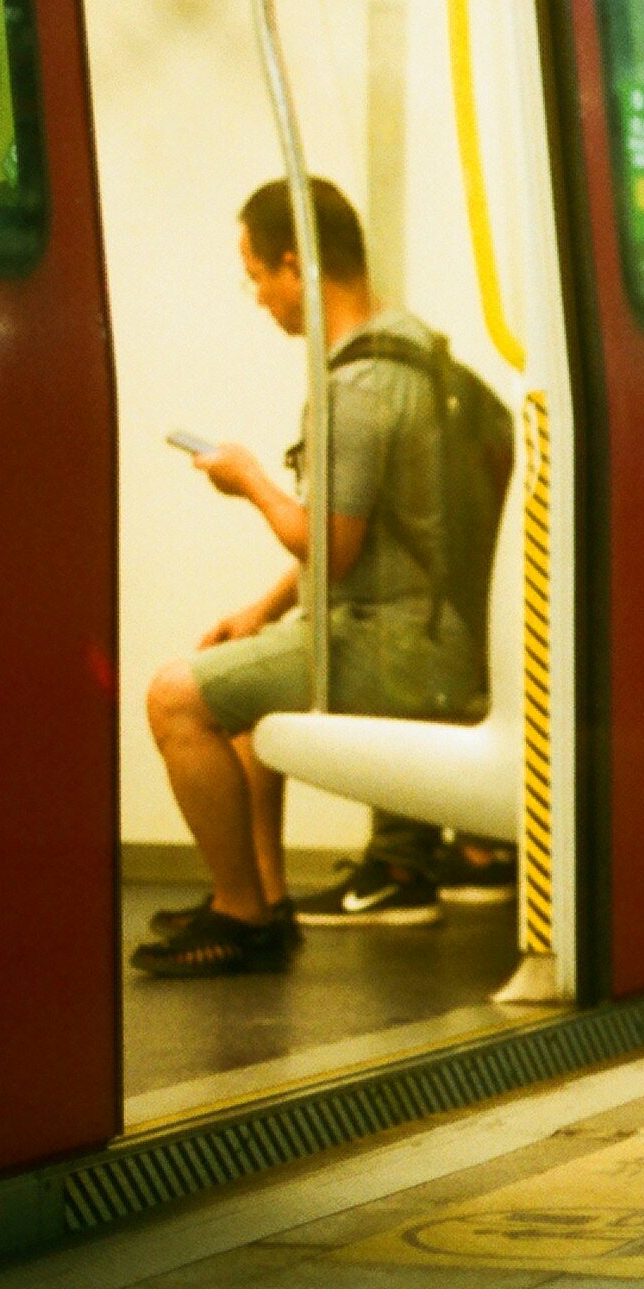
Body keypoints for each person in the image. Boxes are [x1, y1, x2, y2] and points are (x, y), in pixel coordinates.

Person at [131, 177, 490, 977]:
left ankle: (239, 913)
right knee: (248, 701)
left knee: (175, 697)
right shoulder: (414, 348)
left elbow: (333, 547)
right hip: (438, 630)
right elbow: (382, 533)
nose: (258, 296)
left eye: (257, 273)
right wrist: (262, 608)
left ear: (296, 265)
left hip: (400, 649)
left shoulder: (352, 388)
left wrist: (250, 477)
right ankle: (263, 898)